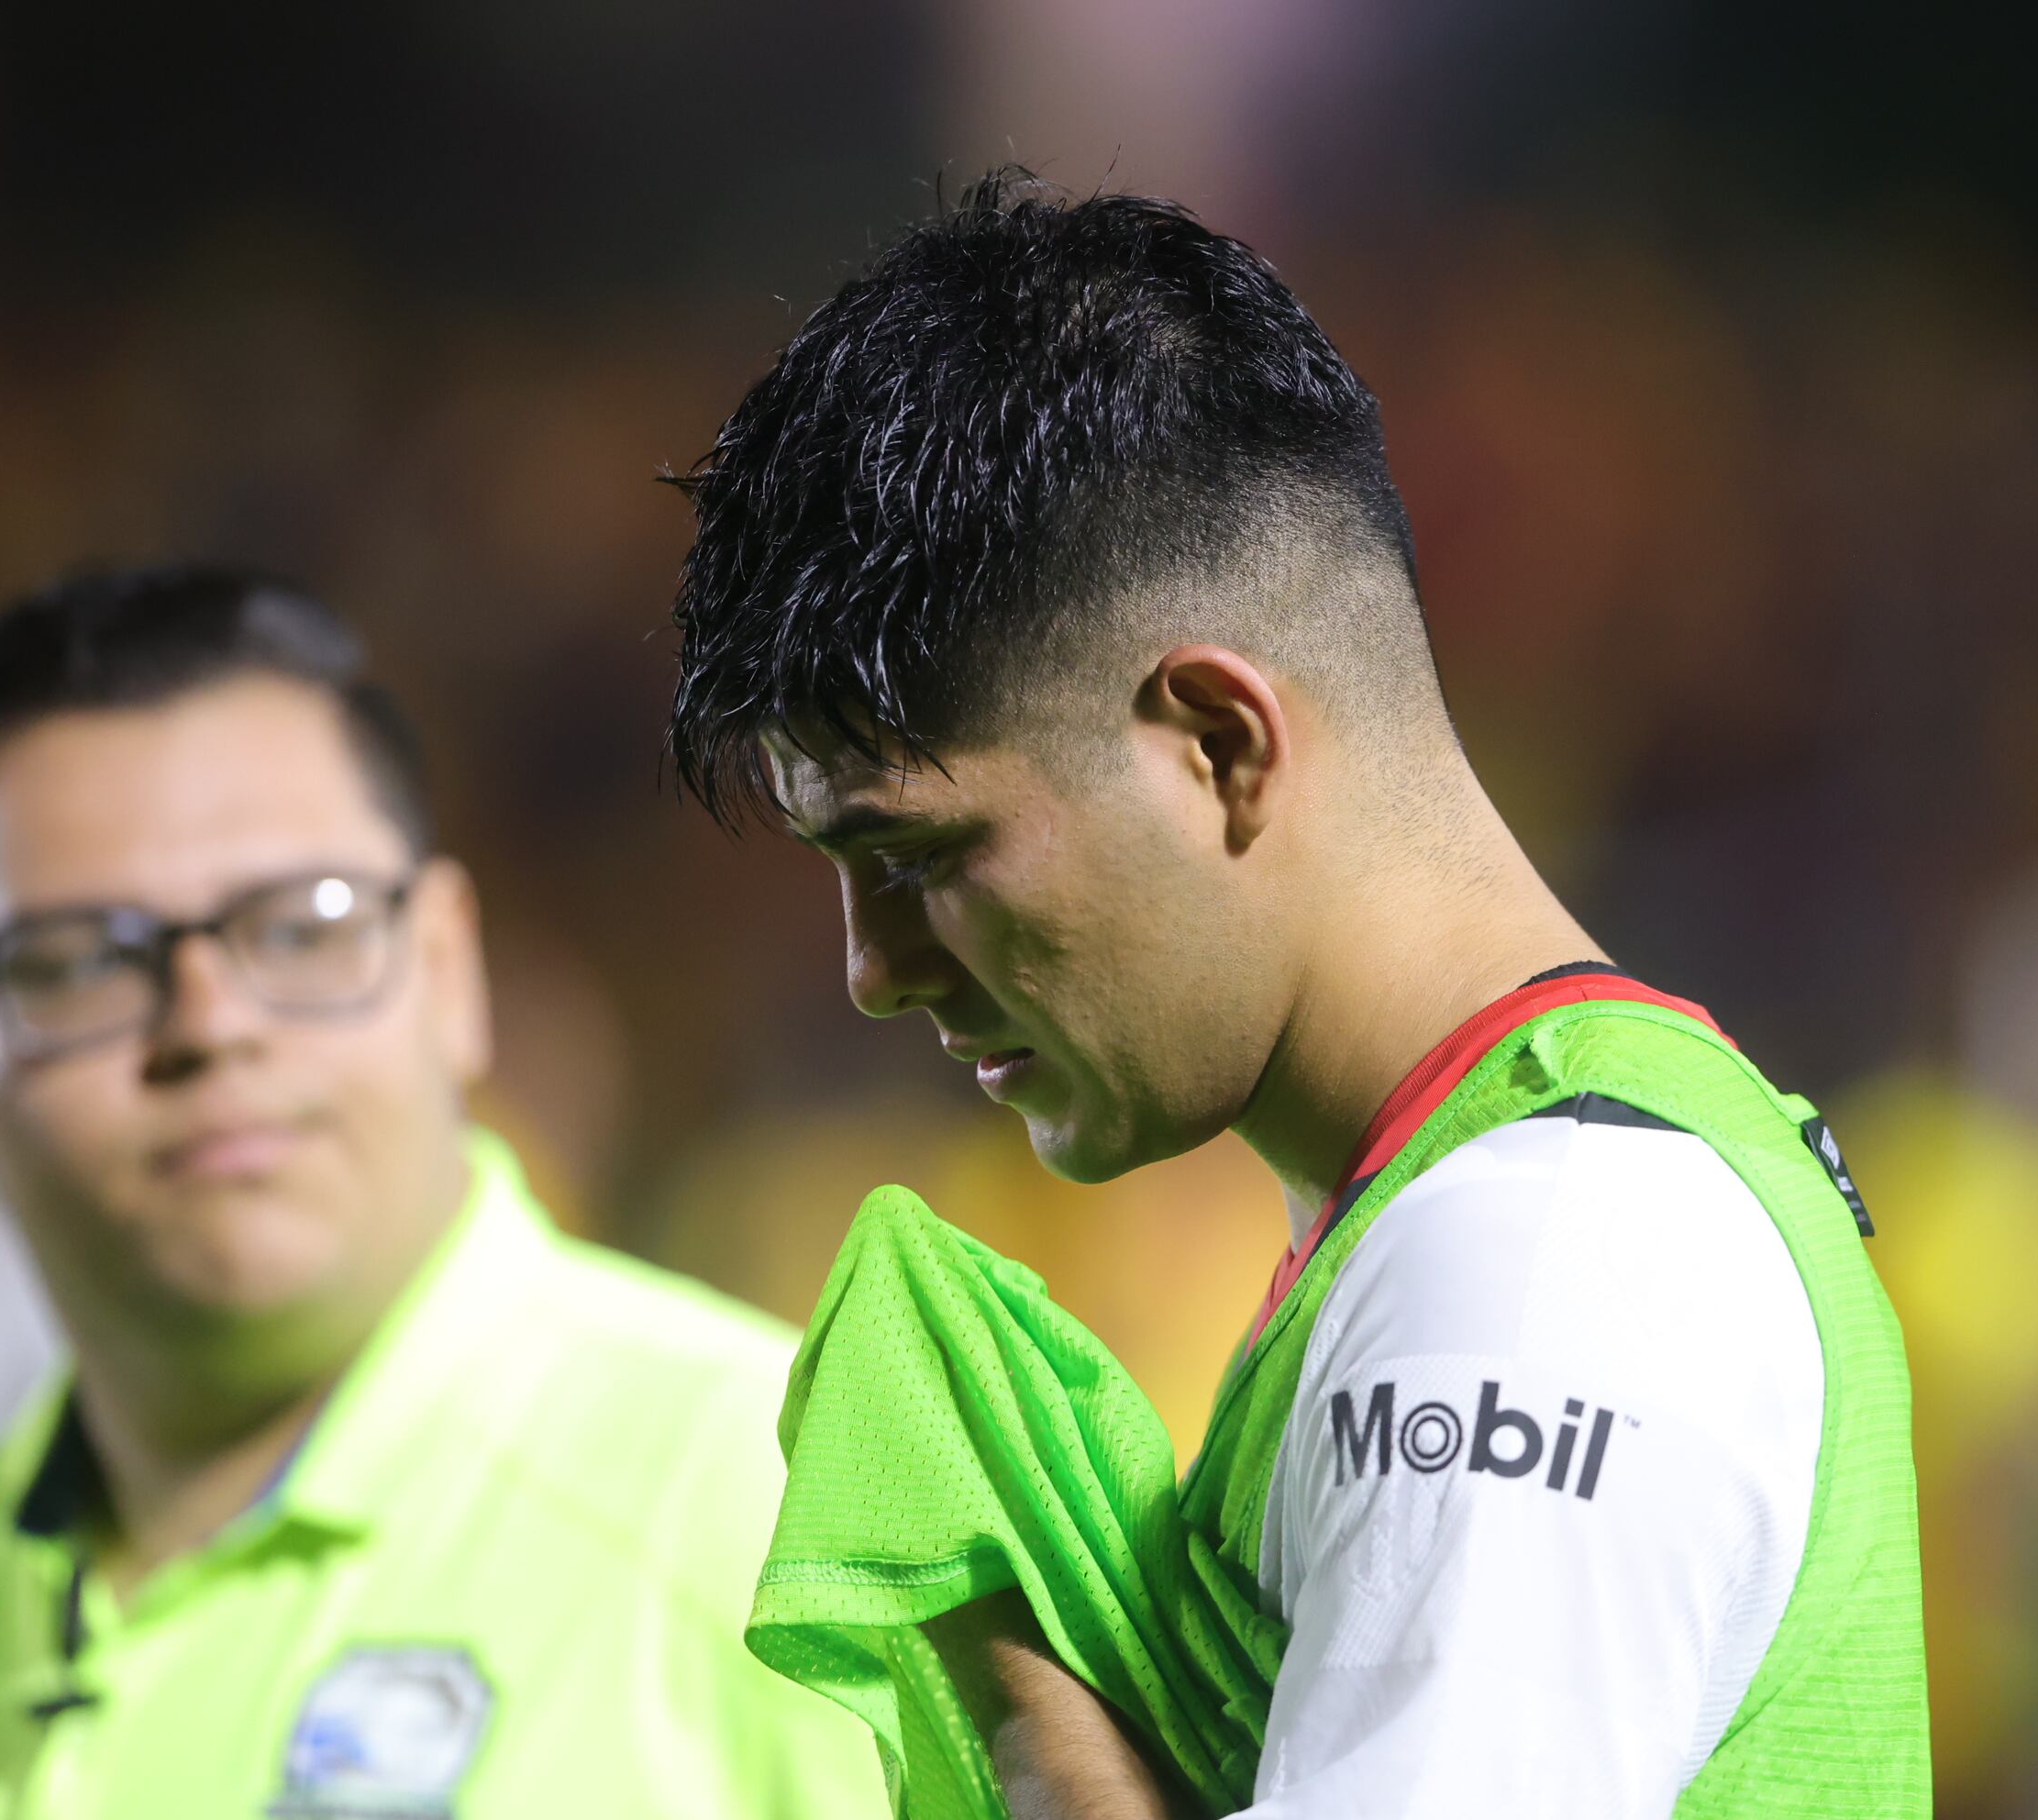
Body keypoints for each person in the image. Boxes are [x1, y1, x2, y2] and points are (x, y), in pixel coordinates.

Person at [665, 173, 1930, 1816]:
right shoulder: (1479, 1208)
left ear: (1219, 744)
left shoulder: (1542, 1269)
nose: (873, 973)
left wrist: (1017, 1688)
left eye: (921, 855)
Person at [0, 565, 883, 1819]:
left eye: (303, 925)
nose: (211, 1023)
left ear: (449, 970)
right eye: (79, 961)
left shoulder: (775, 1506)